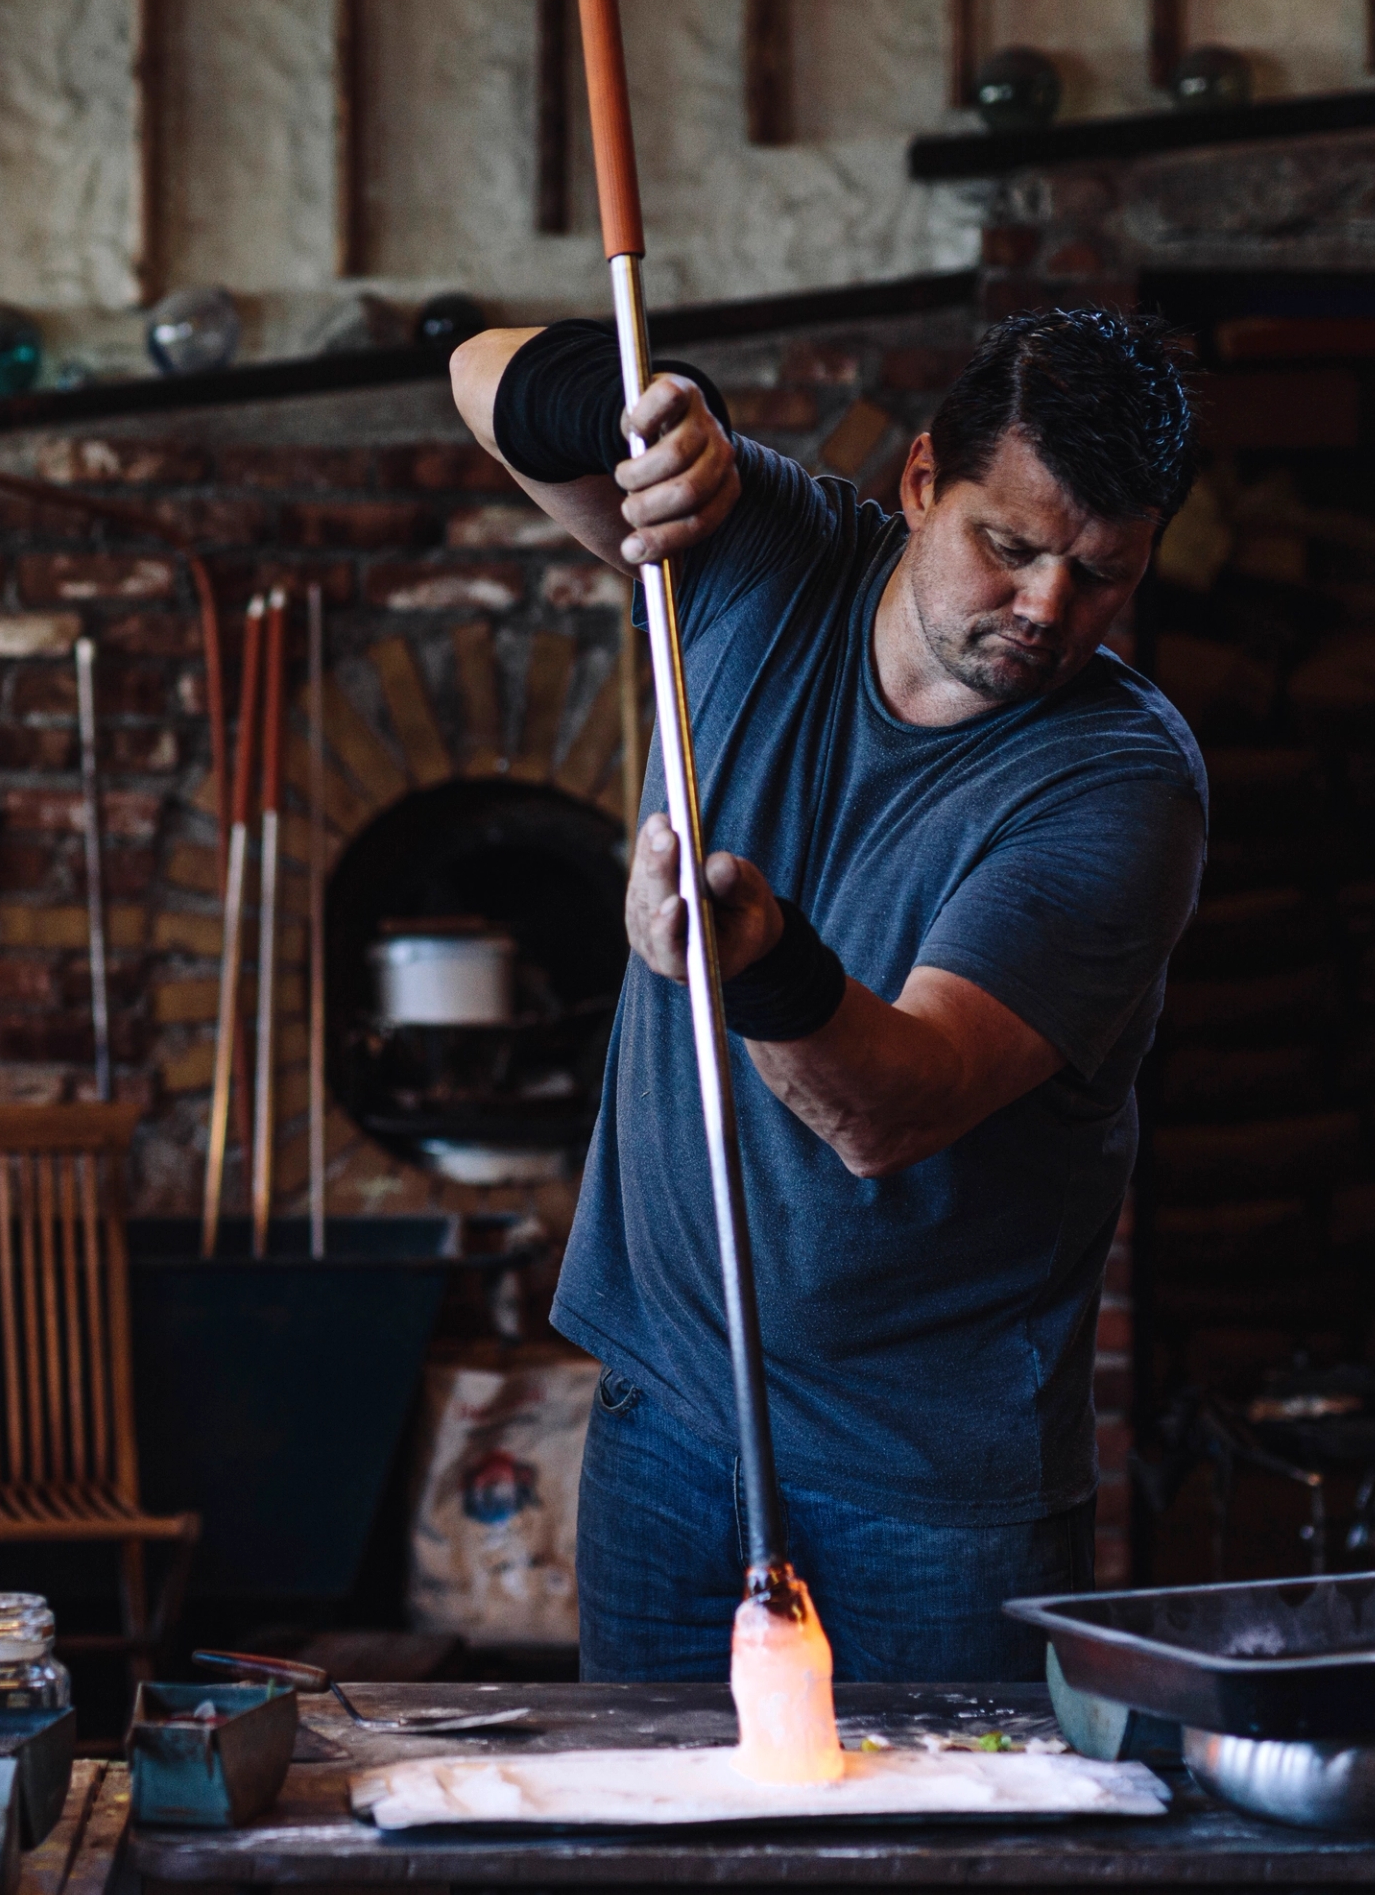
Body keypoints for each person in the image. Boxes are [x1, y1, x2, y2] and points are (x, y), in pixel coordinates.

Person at [446, 306, 1210, 1684]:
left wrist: (762, 969)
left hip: (926, 1487)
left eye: (1100, 578)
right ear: (923, 481)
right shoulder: (773, 555)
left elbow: (897, 1107)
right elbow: (474, 375)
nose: (1046, 612)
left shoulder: (1118, 782)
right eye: (1011, 547)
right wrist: (645, 412)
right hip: (668, 1419)